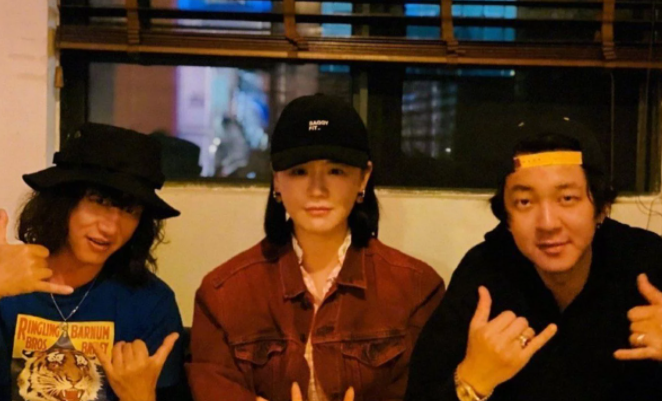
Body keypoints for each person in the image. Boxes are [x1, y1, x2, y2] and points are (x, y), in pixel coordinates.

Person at [187, 94, 445, 401]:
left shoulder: (417, 288)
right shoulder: (222, 294)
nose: (317, 189)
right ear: (276, 181)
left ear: (363, 178)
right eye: (299, 171)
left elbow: (429, 391)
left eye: (336, 171)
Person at [405, 117, 662, 401]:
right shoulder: (484, 272)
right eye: (525, 202)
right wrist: (472, 380)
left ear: (601, 209)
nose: (548, 223)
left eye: (567, 198)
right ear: (507, 217)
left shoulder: (648, 261)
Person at [0, 123, 187, 401]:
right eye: (98, 201)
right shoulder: (9, 282)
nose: (110, 228)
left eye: (130, 210)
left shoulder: (150, 303)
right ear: (63, 201)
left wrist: (140, 397)